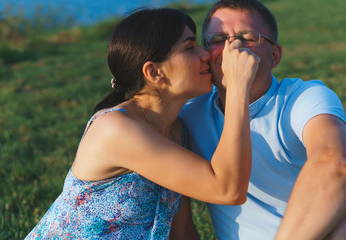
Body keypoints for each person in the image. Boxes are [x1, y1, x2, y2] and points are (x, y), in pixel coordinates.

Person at [25, 8, 260, 239]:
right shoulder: (116, 129)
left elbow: (181, 229)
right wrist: (238, 87)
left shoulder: (177, 130)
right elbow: (227, 189)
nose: (205, 54)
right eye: (190, 48)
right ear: (154, 72)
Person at [179, 0, 346, 239]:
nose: (232, 47)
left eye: (247, 37)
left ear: (274, 55)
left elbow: (335, 164)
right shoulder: (191, 112)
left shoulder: (303, 98)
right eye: (217, 39)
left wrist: (239, 85)